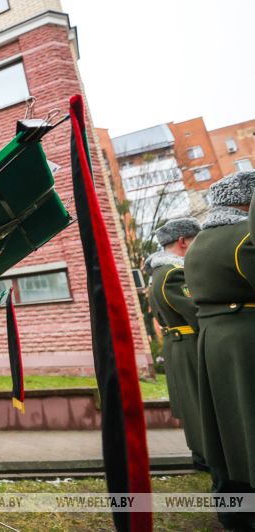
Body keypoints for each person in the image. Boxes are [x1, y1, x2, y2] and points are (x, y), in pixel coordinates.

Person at [184, 171, 255, 530]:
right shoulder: (243, 236)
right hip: (246, 341)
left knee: (226, 427)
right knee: (248, 423)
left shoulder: (199, 242)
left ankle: (233, 509)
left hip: (213, 341)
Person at [144, 218, 203, 469]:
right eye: (195, 241)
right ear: (182, 241)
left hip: (178, 344)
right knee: (198, 406)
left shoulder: (162, 272)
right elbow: (196, 312)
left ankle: (203, 455)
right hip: (188, 343)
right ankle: (206, 456)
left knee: (193, 405)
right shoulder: (174, 274)